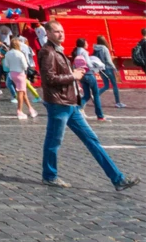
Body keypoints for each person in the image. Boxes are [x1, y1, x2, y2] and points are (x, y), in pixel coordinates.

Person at [38, 20, 139, 190]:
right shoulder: (47, 52)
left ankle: (117, 179)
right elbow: (49, 79)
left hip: (71, 104)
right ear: (47, 33)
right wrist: (74, 76)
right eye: (56, 32)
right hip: (59, 104)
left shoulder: (58, 50)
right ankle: (49, 176)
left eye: (62, 31)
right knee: (54, 141)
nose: (61, 34)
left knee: (92, 139)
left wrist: (73, 76)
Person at [71, 38, 106, 122]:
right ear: (83, 44)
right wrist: (96, 67)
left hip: (81, 75)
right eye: (86, 43)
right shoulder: (84, 52)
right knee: (96, 94)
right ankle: (100, 115)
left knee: (86, 95)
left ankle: (75, 110)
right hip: (89, 74)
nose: (87, 44)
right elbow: (89, 64)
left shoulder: (76, 51)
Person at [5, 37, 37, 120]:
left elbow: (6, 65)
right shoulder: (20, 53)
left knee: (23, 92)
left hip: (12, 73)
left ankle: (31, 109)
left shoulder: (8, 53)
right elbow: (25, 65)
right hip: (20, 73)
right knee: (20, 92)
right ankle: (19, 110)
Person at [93, 36, 125, 108]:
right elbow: (108, 60)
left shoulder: (96, 49)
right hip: (108, 68)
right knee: (114, 85)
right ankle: (117, 102)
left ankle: (95, 96)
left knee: (106, 86)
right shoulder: (105, 48)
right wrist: (114, 68)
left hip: (101, 69)